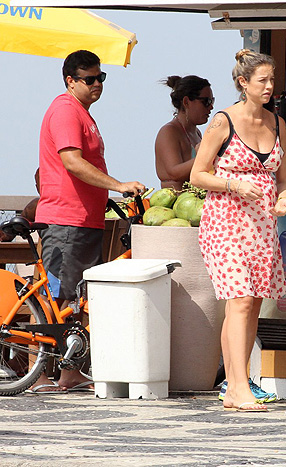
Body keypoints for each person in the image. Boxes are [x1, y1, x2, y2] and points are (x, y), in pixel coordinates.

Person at [30, 50, 145, 393]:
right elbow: (72, 162)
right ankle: (42, 375)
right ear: (71, 81)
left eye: (101, 78)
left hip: (84, 218)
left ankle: (69, 372)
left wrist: (103, 196)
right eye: (89, 79)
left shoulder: (81, 112)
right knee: (60, 298)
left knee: (74, 299)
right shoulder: (66, 110)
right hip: (67, 220)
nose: (97, 84)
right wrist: (118, 184)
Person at [190, 49, 286, 412]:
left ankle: (235, 387)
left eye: (272, 79)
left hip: (263, 225)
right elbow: (197, 174)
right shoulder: (223, 121)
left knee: (252, 306)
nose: (269, 86)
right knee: (241, 301)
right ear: (243, 82)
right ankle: (237, 386)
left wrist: (283, 199)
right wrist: (234, 185)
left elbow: (284, 178)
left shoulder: (277, 123)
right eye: (262, 80)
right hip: (226, 221)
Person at [155, 75, 214, 191]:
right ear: (186, 102)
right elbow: (174, 173)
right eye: (206, 101)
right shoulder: (169, 132)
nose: (211, 107)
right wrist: (203, 156)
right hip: (174, 205)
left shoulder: (196, 133)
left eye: (212, 101)